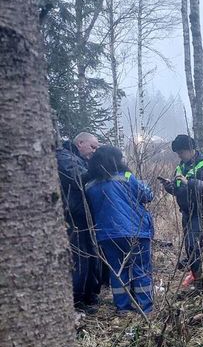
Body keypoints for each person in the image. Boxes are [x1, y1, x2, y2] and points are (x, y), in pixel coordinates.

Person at [84, 146, 154, 315]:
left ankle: (122, 308)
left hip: (106, 234)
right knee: (141, 268)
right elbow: (147, 196)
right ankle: (146, 308)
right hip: (135, 231)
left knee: (117, 270)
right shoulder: (126, 177)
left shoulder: (89, 185)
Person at [161, 134, 203, 288]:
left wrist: (189, 182)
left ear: (190, 149)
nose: (179, 155)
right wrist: (170, 186)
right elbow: (180, 189)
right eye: (178, 153)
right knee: (190, 247)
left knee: (196, 246)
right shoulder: (181, 166)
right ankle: (198, 281)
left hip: (202, 213)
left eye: (181, 152)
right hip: (187, 212)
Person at [56, 132, 101, 312]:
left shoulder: (79, 159)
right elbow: (78, 179)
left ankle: (89, 294)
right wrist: (98, 168)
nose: (94, 151)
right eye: (93, 147)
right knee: (79, 258)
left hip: (84, 216)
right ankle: (76, 301)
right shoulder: (64, 157)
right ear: (80, 143)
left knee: (90, 254)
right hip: (73, 217)